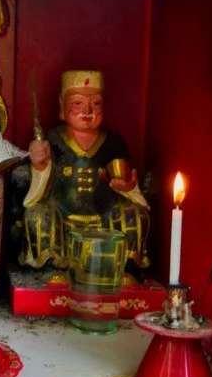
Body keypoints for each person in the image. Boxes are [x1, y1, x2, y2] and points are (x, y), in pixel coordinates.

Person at [20, 69, 149, 277]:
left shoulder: (113, 142)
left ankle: (122, 267)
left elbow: (123, 177)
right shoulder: (53, 139)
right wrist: (41, 165)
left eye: (96, 103)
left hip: (104, 217)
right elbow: (41, 184)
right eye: (78, 103)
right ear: (62, 106)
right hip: (62, 215)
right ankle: (53, 266)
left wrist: (127, 187)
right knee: (37, 216)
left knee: (134, 215)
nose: (87, 110)